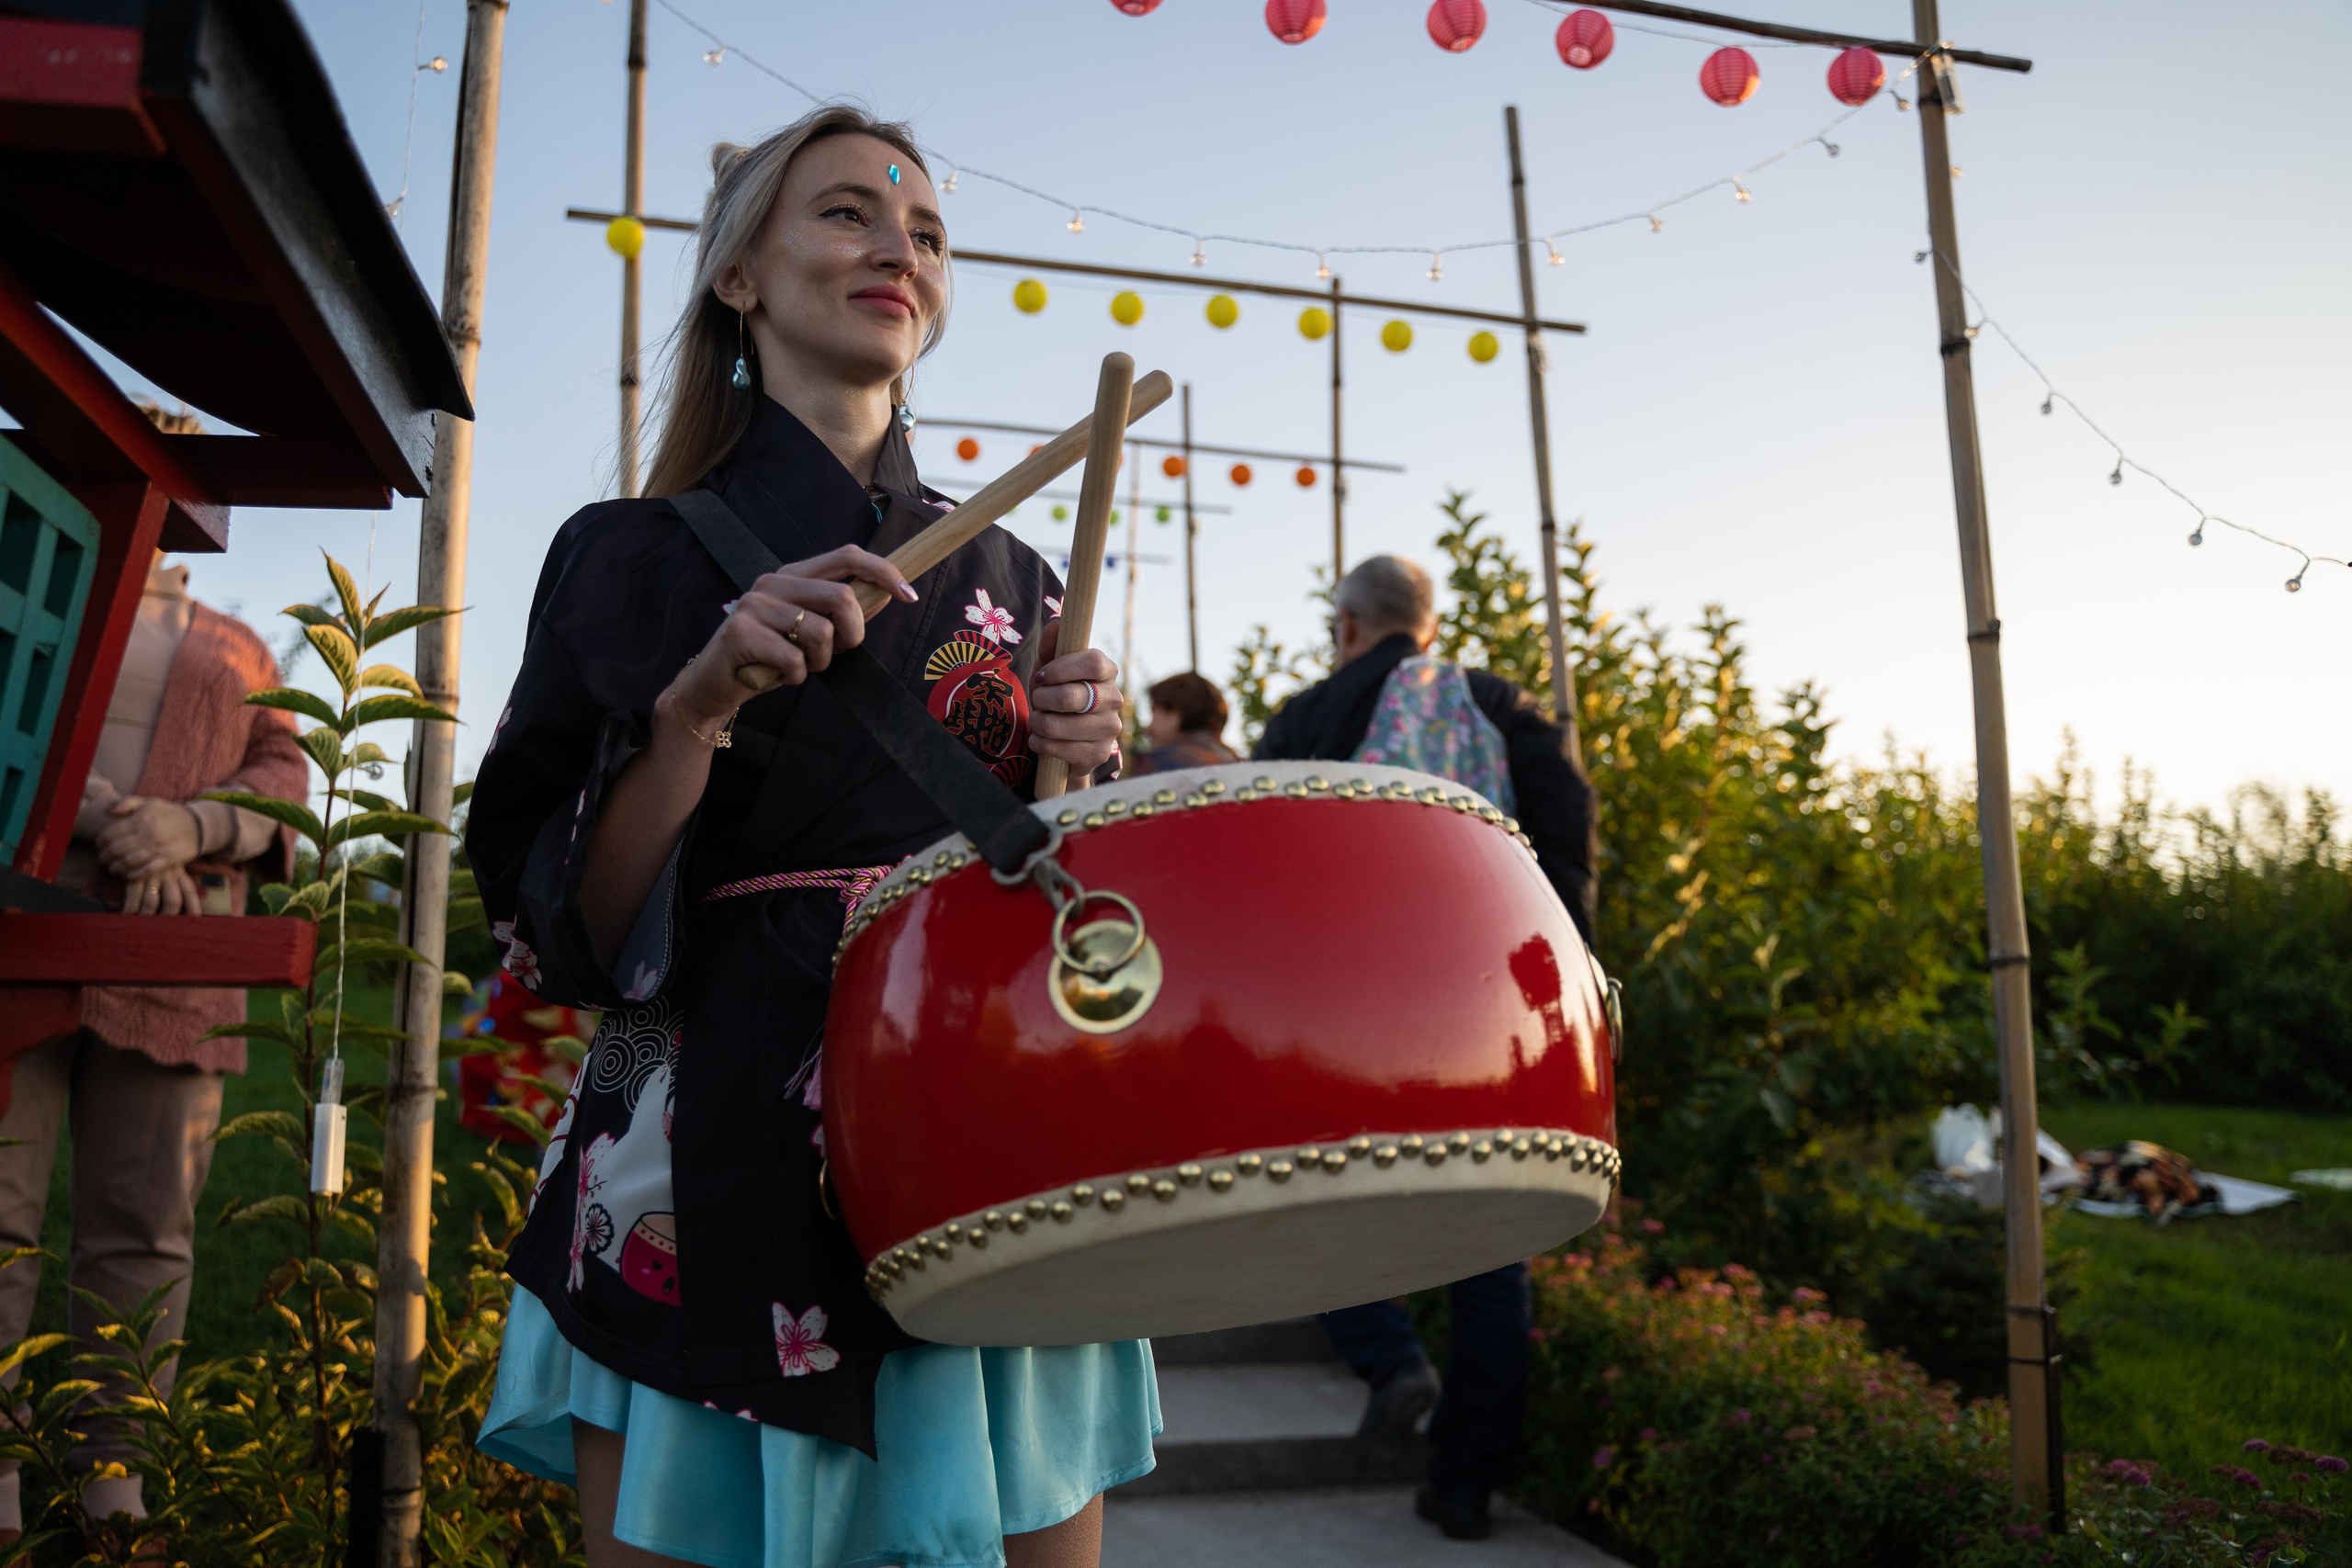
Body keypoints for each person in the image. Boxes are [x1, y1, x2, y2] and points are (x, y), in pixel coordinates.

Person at [467, 107, 1153, 1568]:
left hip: (975, 1121)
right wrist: (696, 705)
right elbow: (568, 932)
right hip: (699, 1135)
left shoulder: (1020, 573)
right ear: (739, 277)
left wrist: (1088, 769)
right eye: (847, 212)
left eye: (927, 232)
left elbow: (1071, 905)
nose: (899, 246)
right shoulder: (624, 553)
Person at [1254, 553, 1597, 1543]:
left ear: (1349, 627)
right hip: (1489, 1018)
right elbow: (1567, 832)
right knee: (1492, 1254)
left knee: (1310, 1195)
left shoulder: (1309, 715)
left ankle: (1389, 1356)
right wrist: (1568, 971)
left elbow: (1265, 858)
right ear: (1428, 627)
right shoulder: (1498, 705)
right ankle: (1463, 1489)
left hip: (1346, 1017)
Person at [0, 551, 304, 1548]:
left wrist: (190, 825)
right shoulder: (36, 594)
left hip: (178, 944)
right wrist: (110, 821)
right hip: (21, 924)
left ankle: (114, 1486)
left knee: (144, 1225)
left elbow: (283, 774)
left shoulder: (239, 645)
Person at [1128, 671, 1238, 774]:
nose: (1147, 728)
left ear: (1175, 713)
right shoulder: (1237, 764)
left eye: (1154, 714)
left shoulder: (1157, 764)